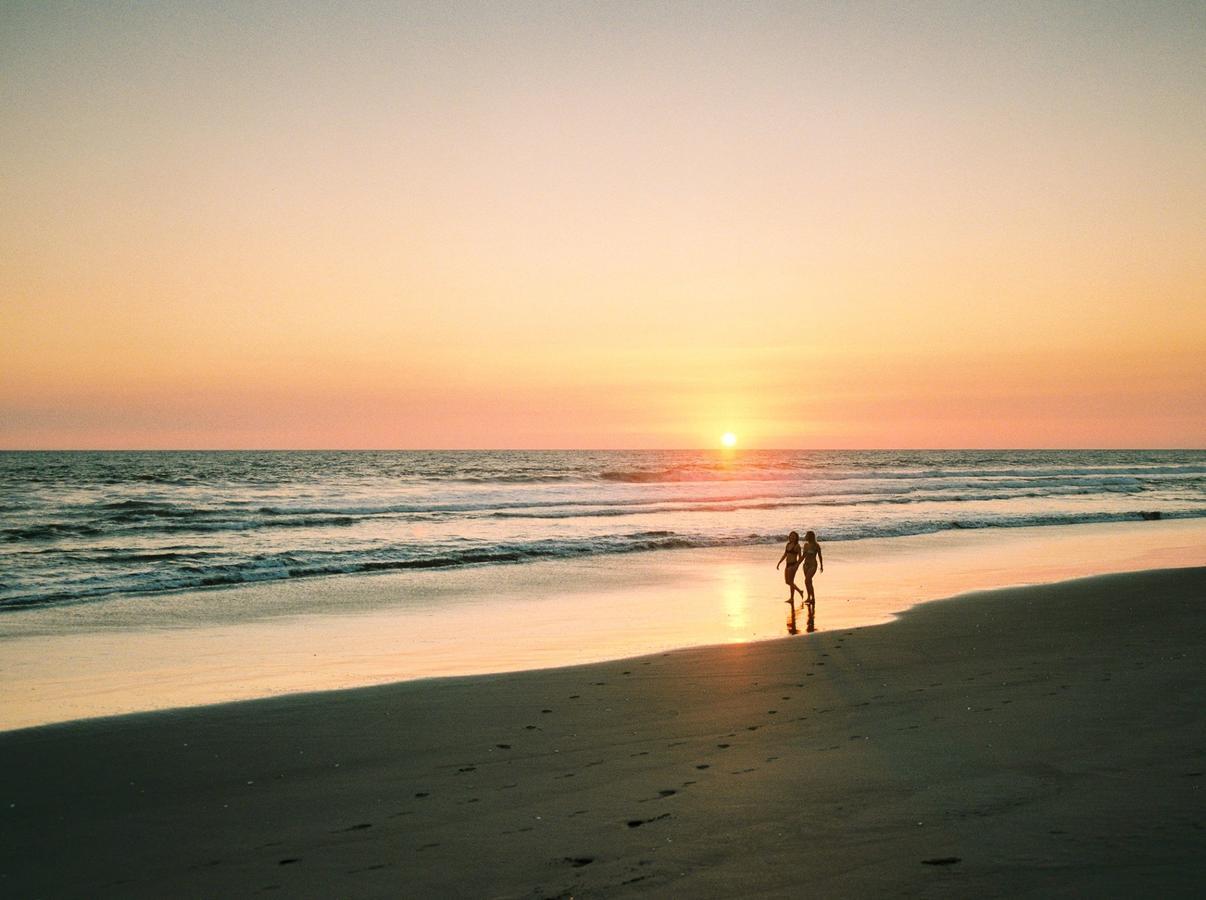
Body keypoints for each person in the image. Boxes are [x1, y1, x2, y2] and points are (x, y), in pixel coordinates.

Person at [775, 531, 805, 605]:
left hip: (793, 565)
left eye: (794, 536)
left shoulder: (797, 546)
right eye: (791, 536)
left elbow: (800, 557)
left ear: (796, 537)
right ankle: (800, 591)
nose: (792, 537)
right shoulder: (788, 544)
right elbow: (785, 554)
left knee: (791, 581)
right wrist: (779, 562)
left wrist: (796, 566)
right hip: (787, 564)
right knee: (787, 582)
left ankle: (792, 598)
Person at [801, 530, 823, 607]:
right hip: (805, 565)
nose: (805, 536)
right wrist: (797, 564)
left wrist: (821, 566)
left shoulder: (816, 545)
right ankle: (809, 597)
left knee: (807, 580)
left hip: (813, 565)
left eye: (807, 535)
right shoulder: (805, 545)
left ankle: (813, 598)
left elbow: (820, 556)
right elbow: (803, 556)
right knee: (808, 582)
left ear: (810, 536)